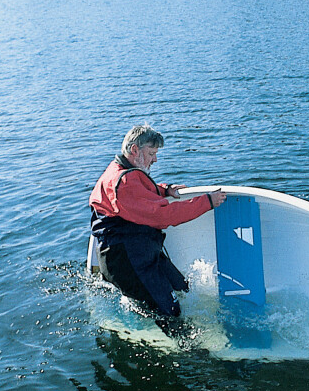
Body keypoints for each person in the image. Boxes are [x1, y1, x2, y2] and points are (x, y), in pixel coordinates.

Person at [90, 124, 226, 317]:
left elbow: (139, 194)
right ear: (135, 150)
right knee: (170, 312)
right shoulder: (123, 182)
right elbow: (164, 215)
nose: (155, 159)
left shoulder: (120, 170)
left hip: (139, 252)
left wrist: (165, 189)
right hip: (126, 260)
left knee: (182, 289)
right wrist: (207, 202)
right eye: (151, 153)